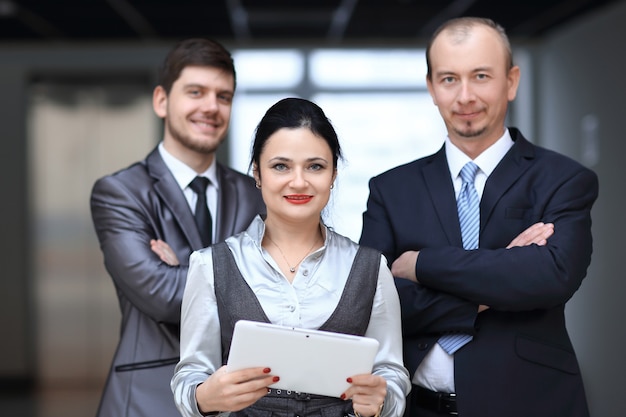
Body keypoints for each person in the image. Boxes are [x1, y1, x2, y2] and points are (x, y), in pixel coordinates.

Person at [359, 17, 598, 417]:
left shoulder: (564, 179)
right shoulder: (391, 189)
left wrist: (421, 264)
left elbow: (549, 277)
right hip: (418, 409)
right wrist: (501, 276)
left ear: (511, 81)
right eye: (449, 79)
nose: (465, 95)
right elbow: (372, 303)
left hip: (533, 406)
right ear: (432, 87)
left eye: (481, 76)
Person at [171, 97, 411, 417]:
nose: (299, 182)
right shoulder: (211, 265)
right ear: (257, 173)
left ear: (334, 174)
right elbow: (189, 375)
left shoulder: (370, 267)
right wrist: (203, 398)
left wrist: (383, 401)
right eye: (280, 166)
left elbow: (392, 373)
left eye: (315, 166)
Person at [90, 38, 265, 417]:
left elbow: (284, 289)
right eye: (195, 92)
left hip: (243, 400)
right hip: (150, 399)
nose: (211, 107)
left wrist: (179, 269)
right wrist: (249, 277)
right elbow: (161, 295)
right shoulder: (120, 193)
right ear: (161, 101)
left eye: (223, 96)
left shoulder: (256, 194)